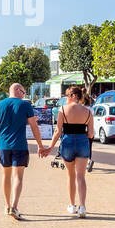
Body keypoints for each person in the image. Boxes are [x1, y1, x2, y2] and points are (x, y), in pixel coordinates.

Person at [0, 82, 46, 220]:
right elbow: (34, 127)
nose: (24, 95)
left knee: (6, 176)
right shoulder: (25, 105)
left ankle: (7, 206)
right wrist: (40, 145)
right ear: (18, 90)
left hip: (3, 146)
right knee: (18, 177)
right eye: (24, 92)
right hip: (19, 145)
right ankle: (14, 206)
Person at [43, 85, 94, 217]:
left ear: (73, 96)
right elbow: (91, 134)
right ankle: (82, 206)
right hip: (83, 142)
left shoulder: (62, 110)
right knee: (81, 176)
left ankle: (72, 205)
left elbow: (57, 131)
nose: (66, 99)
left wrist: (49, 147)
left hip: (67, 142)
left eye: (67, 96)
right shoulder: (88, 111)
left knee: (71, 175)